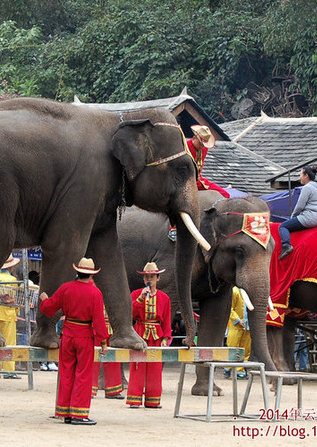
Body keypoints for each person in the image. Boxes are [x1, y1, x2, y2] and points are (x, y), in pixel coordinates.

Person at [39, 257, 108, 426]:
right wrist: (104, 341)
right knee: (83, 375)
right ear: (91, 275)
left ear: (77, 271)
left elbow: (49, 309)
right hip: (85, 335)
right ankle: (79, 413)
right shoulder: (95, 293)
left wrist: (44, 299)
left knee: (66, 372)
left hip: (68, 334)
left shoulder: (66, 288)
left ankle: (66, 412)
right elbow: (99, 320)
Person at [169, 124, 229, 240]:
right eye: (201, 143)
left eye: (205, 144)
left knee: (225, 194)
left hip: (198, 179)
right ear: (195, 138)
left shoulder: (204, 148)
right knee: (180, 200)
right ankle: (173, 227)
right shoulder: (184, 148)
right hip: (182, 180)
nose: (203, 146)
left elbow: (199, 170)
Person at [126, 262, 172, 409]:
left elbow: (166, 321)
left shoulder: (164, 298)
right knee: (137, 365)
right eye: (146, 277)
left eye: (152, 277)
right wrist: (140, 299)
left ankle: (153, 399)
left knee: (155, 367)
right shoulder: (135, 294)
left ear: (158, 278)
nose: (149, 280)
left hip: (156, 335)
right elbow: (131, 315)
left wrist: (165, 338)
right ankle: (135, 398)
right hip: (140, 332)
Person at [278, 165, 317, 259]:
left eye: (300, 174)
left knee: (283, 226)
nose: (299, 177)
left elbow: (300, 206)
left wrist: (293, 217)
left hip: (310, 217)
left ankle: (286, 245)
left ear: (306, 175)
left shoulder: (307, 187)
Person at [0, 254, 21, 379]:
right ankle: (9, 370)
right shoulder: (13, 280)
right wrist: (16, 312)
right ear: (10, 267)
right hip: (8, 314)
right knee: (9, 343)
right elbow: (14, 299)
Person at [92, 305, 124, 399]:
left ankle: (113, 390)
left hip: (112, 328)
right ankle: (90, 389)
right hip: (96, 328)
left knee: (113, 358)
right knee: (93, 359)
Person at [225, 286, 251, 379]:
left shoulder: (251, 292)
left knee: (245, 348)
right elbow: (230, 308)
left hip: (247, 326)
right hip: (236, 325)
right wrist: (237, 320)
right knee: (233, 346)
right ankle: (228, 367)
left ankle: (241, 369)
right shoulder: (235, 291)